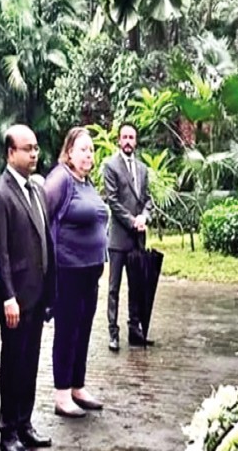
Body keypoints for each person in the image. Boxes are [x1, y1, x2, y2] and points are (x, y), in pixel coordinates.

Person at [0, 125, 55, 450]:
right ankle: (8, 430)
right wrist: (7, 296)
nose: (34, 154)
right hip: (15, 297)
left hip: (37, 293)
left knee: (30, 363)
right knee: (13, 363)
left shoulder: (37, 189)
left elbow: (44, 240)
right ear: (11, 153)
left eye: (36, 148)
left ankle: (25, 423)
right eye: (28, 149)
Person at [44, 126, 108, 418]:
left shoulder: (86, 182)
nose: (88, 155)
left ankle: (77, 386)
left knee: (83, 330)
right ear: (69, 152)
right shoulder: (61, 179)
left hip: (90, 273)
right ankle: (61, 394)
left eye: (91, 150)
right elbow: (43, 218)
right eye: (83, 149)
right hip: (68, 271)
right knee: (67, 331)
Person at [103, 123, 154, 351]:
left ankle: (135, 330)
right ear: (118, 139)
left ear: (136, 140)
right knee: (114, 288)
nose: (127, 141)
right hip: (118, 238)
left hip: (137, 239)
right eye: (124, 137)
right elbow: (113, 201)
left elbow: (148, 199)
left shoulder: (142, 169)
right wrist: (132, 220)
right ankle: (113, 333)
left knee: (137, 287)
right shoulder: (110, 166)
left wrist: (144, 216)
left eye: (131, 137)